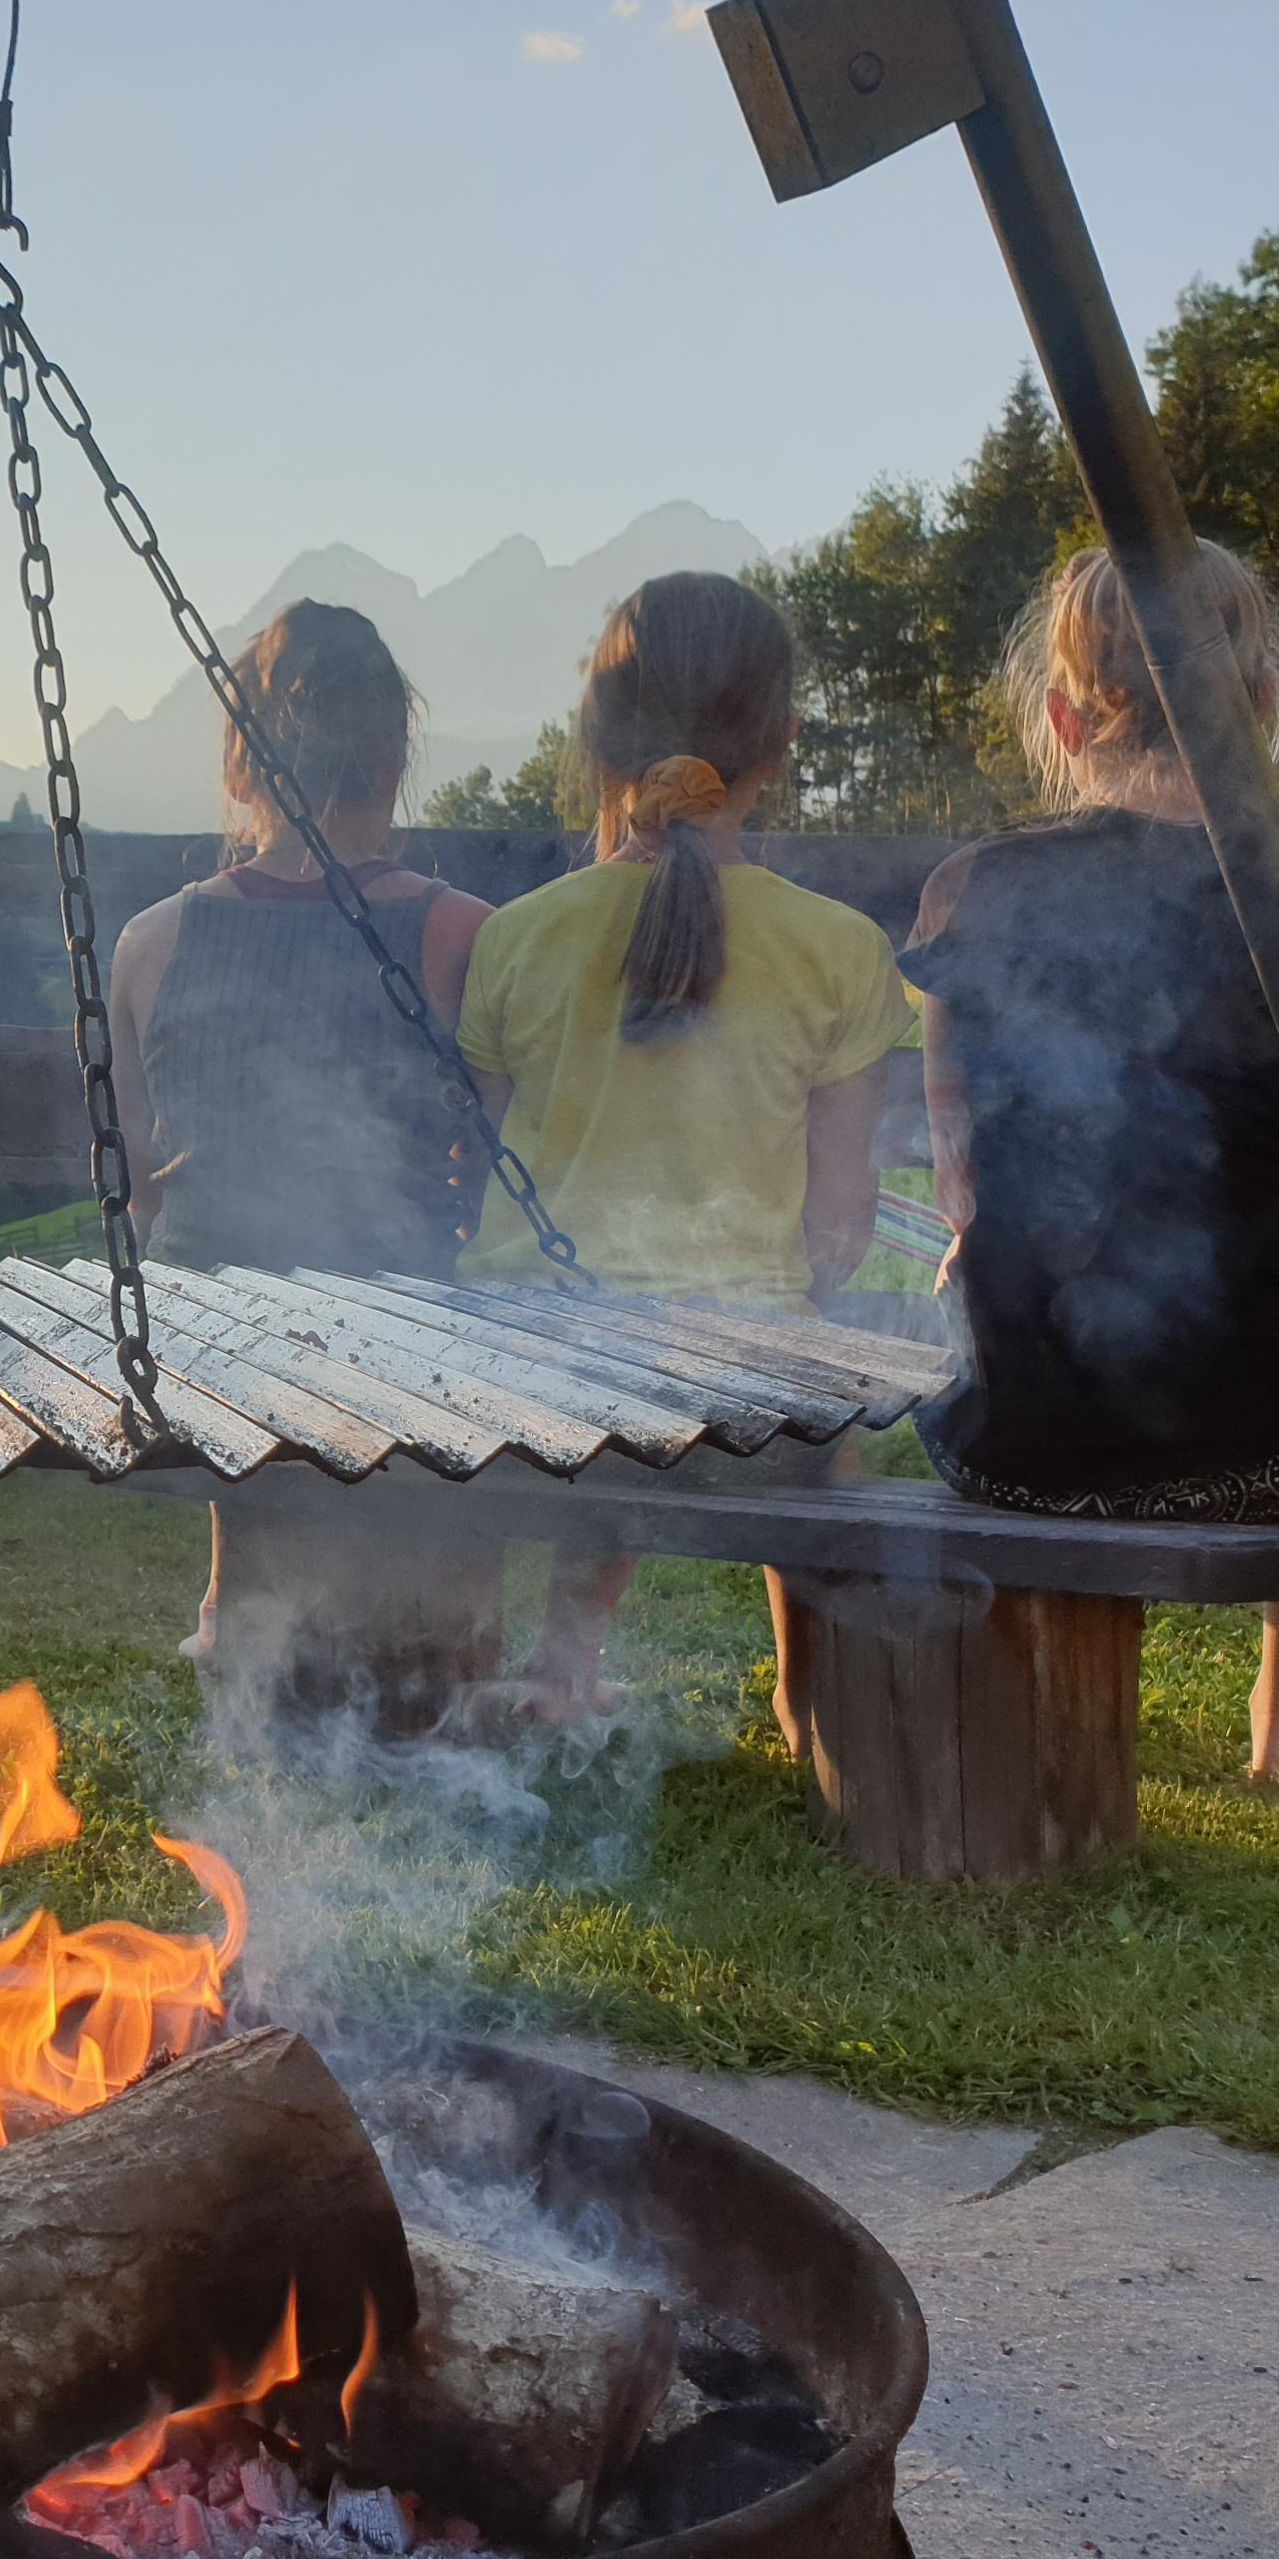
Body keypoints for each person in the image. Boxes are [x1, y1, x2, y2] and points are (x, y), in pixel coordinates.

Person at [904, 542, 1279, 1788]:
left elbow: (957, 1182)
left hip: (1014, 1446)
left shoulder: (972, 893)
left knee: (983, 1295)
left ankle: (1053, 1699)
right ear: (1264, 701)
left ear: (1060, 719)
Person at [457, 571, 910, 1722]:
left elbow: (489, 1163)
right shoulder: (842, 947)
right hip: (735, 1397)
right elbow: (841, 1225)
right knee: (817, 1424)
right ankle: (818, 1708)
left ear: (595, 738)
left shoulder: (514, 937)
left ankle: (562, 1671)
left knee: (604, 1340)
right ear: (784, 742)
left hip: (527, 1373)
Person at [103, 601, 497, 1731]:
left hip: (210, 1344)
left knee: (225, 1274)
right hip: (397, 1343)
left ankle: (241, 1609)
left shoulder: (150, 942)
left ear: (242, 768)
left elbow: (138, 1181)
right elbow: (490, 1167)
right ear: (395, 759)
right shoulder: (460, 933)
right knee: (404, 1294)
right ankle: (428, 1633)